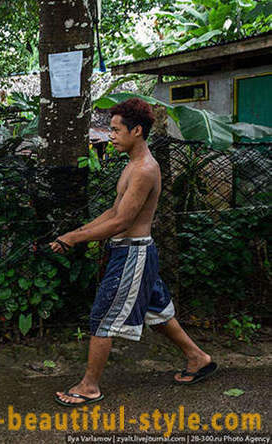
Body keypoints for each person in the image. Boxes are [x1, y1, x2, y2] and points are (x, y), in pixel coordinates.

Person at [50, 98, 217, 406]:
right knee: (157, 311)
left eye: (115, 130)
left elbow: (123, 222)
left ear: (136, 130)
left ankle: (89, 387)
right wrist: (73, 234)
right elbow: (114, 211)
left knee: (103, 316)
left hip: (132, 255)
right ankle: (198, 358)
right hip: (133, 253)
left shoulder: (143, 169)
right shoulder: (131, 165)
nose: (110, 135)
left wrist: (76, 239)